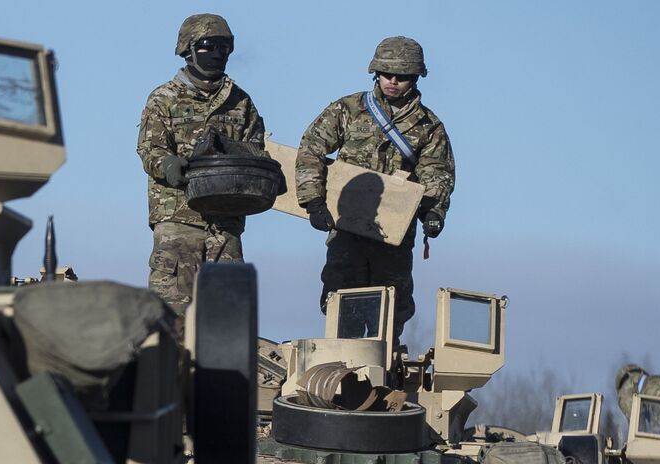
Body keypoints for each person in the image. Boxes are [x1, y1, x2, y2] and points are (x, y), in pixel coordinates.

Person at [294, 35, 454, 337]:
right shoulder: (348, 109)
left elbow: (437, 172)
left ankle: (385, 373)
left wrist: (434, 213)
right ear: (375, 73)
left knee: (392, 310)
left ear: (416, 78)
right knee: (340, 303)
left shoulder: (428, 126)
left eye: (402, 76)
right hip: (347, 228)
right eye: (386, 74)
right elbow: (310, 149)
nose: (393, 81)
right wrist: (313, 201)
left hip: (393, 234)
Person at [136, 13, 266, 314]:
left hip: (225, 221)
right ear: (189, 49)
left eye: (224, 47)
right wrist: (169, 165)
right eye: (209, 45)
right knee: (171, 315)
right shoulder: (163, 98)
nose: (218, 53)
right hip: (179, 219)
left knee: (228, 318)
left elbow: (256, 150)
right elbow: (150, 148)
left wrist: (264, 175)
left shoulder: (241, 102)